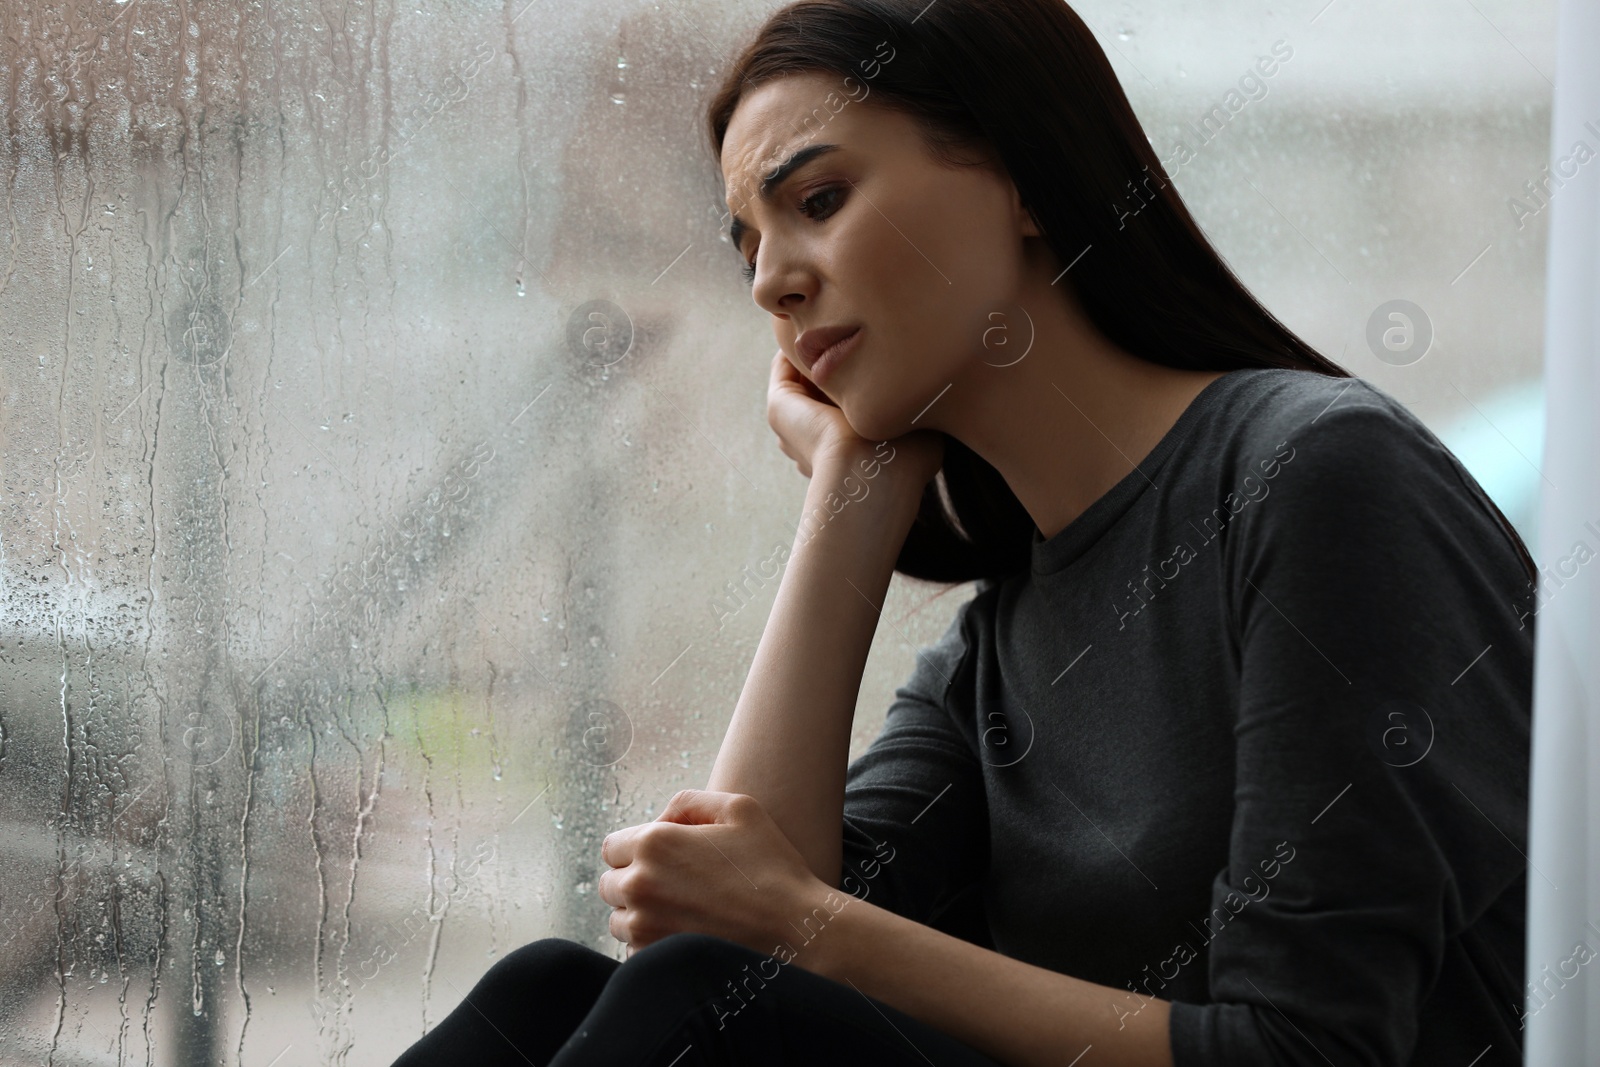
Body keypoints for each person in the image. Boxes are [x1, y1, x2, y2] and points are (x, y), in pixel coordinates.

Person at [393, 0, 1536, 1063]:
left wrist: (803, 922)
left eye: (819, 200)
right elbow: (725, 943)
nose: (770, 285)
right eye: (748, 245)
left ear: (1025, 180)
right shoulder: (1001, 643)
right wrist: (850, 498)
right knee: (540, 989)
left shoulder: (1318, 472)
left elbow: (1308, 1047)